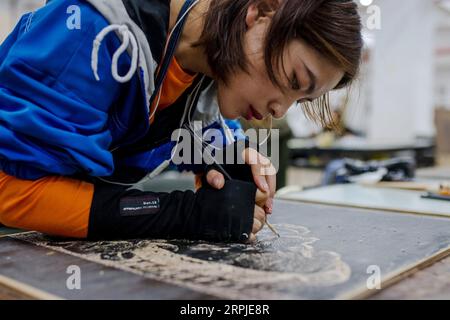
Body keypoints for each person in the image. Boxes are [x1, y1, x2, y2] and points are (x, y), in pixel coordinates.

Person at [0, 0, 362, 242]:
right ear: (260, 12)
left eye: (302, 99)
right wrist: (180, 215)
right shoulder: (97, 31)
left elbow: (196, 126)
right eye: (294, 81)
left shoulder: (210, 63)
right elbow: (8, 188)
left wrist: (230, 156)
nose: (281, 110)